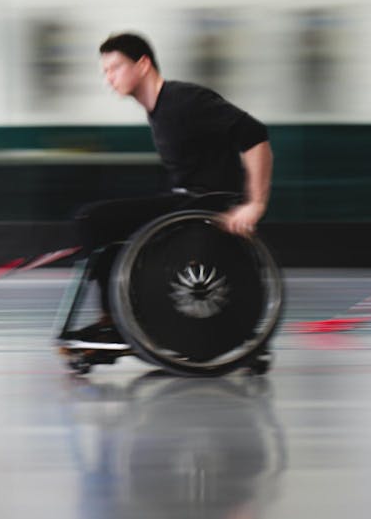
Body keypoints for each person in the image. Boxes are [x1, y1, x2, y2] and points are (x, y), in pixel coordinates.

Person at [60, 32, 273, 347]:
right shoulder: (157, 111)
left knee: (93, 219)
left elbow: (255, 136)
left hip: (206, 204)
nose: (109, 79)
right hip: (185, 201)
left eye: (115, 68)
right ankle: (120, 316)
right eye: (105, 72)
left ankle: (116, 320)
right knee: (108, 228)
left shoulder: (184, 99)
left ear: (143, 64)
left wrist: (254, 203)